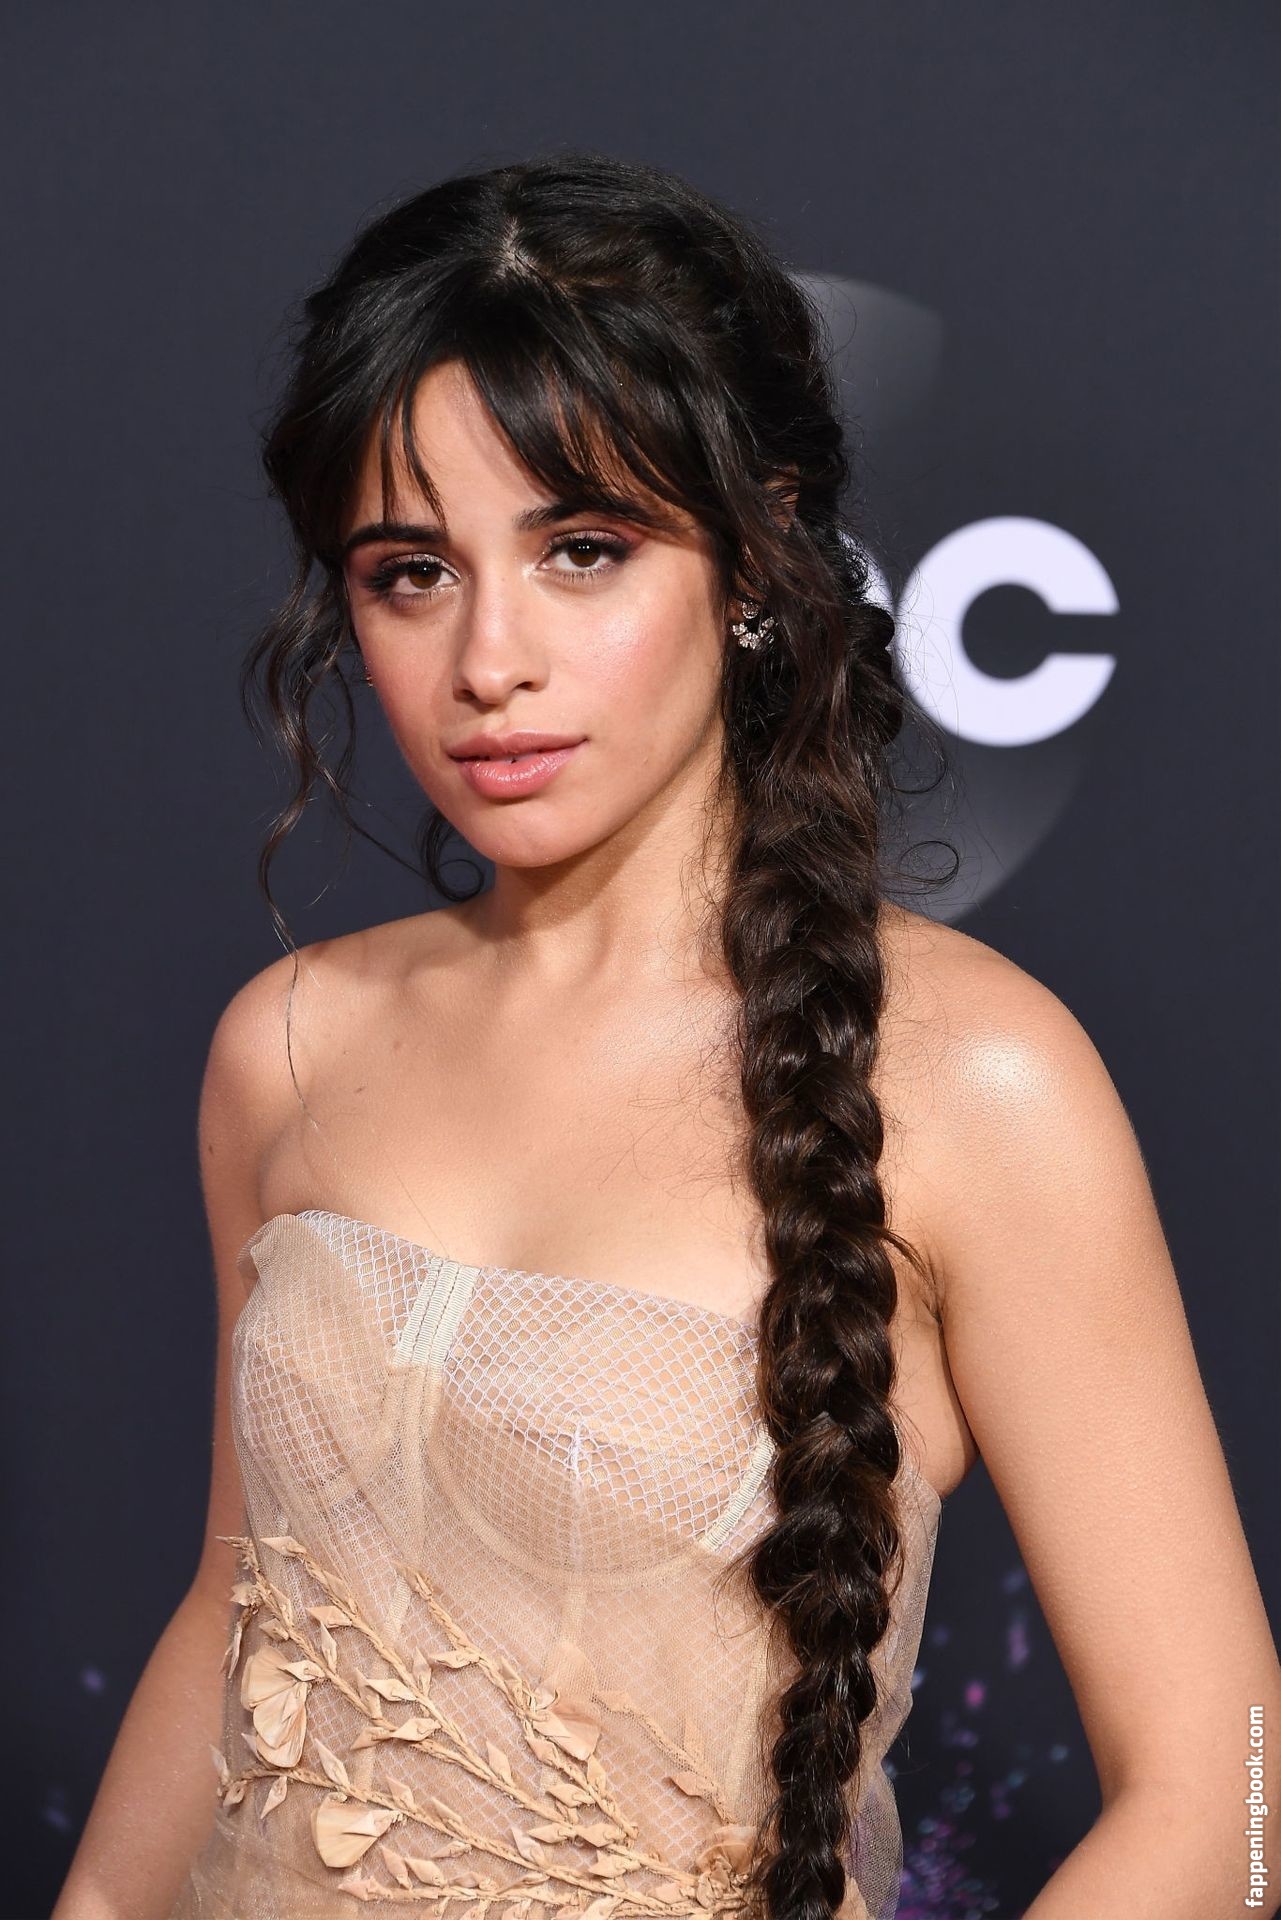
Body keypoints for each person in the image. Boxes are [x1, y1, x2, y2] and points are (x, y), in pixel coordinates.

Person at [55, 150, 1280, 1920]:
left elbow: (1229, 1791)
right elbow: (236, 1608)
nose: (489, 660)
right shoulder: (290, 1043)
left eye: (583, 551)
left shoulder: (974, 1081)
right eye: (411, 572)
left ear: (755, 559)